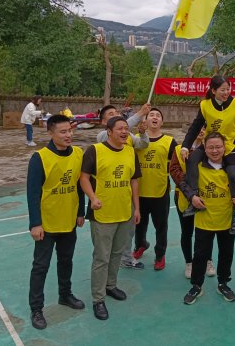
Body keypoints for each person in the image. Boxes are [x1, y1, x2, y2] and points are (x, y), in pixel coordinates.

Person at [27, 114, 85, 330]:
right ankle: (36, 308)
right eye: (63, 132)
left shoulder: (78, 154)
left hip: (69, 220)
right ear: (50, 133)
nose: (68, 135)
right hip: (47, 223)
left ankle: (65, 294)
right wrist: (35, 223)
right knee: (40, 266)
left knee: (66, 260)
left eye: (70, 130)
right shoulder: (40, 158)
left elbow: (79, 185)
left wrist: (81, 212)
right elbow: (33, 193)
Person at [80, 116, 141, 321]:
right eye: (120, 129)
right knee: (101, 257)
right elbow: (83, 177)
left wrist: (136, 208)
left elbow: (134, 181)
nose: (125, 132)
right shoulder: (95, 151)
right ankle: (98, 299)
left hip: (124, 212)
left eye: (126, 129)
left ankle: (110, 285)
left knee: (116, 253)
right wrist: (93, 197)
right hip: (103, 214)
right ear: (109, 131)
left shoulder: (130, 151)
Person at [182, 132, 235, 305]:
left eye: (218, 147)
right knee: (200, 255)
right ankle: (196, 285)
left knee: (226, 253)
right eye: (210, 147)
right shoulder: (197, 166)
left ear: (225, 148)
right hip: (204, 220)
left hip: (227, 220)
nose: (215, 150)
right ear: (204, 148)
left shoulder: (232, 167)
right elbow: (184, 182)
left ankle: (223, 283)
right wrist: (192, 197)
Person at [181, 75, 235, 235]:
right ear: (213, 90)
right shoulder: (205, 105)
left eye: (228, 89)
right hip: (210, 145)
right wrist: (185, 146)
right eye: (222, 90)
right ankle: (194, 198)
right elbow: (195, 127)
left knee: (233, 174)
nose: (226, 93)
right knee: (192, 160)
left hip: (230, 146)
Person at [97, 103, 149, 270]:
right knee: (108, 231)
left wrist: (143, 133)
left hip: (126, 190)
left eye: (116, 113)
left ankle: (126, 257)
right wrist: (140, 113)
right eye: (110, 115)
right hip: (109, 193)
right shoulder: (102, 137)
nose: (115, 115)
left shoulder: (128, 137)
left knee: (128, 229)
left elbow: (143, 144)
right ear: (104, 123)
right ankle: (108, 259)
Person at [169, 127, 217, 279]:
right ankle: (189, 263)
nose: (201, 131)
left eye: (204, 128)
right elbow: (174, 170)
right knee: (187, 231)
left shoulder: (209, 149)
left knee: (206, 231)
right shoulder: (179, 149)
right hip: (184, 196)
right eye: (198, 128)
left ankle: (208, 260)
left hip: (205, 195)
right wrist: (189, 184)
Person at [133, 108, 177, 270]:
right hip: (139, 191)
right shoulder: (136, 139)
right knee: (139, 223)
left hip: (160, 191)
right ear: (145, 120)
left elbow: (178, 162)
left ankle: (160, 254)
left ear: (162, 122)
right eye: (151, 114)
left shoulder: (169, 141)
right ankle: (140, 245)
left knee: (161, 226)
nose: (155, 117)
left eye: (158, 115)